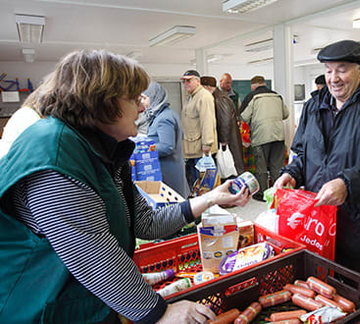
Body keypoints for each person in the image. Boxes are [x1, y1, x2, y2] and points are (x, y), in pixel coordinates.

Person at [0, 50, 250, 324]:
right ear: (103, 101)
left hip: (84, 301)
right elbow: (90, 253)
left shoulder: (100, 149)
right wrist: (159, 312)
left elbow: (144, 221)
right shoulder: (55, 153)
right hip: (41, 308)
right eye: (133, 98)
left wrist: (211, 198)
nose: (142, 107)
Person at [275, 40, 360, 278]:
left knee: (352, 296)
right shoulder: (314, 106)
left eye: (342, 69)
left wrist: (347, 183)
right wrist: (292, 172)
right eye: (328, 70)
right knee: (316, 289)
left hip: (358, 226)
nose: (334, 78)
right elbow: (303, 153)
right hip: (316, 222)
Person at [240, 76, 289, 201]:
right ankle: (279, 193)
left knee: (261, 167)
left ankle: (262, 193)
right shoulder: (277, 96)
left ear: (253, 86)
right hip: (278, 135)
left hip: (261, 136)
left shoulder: (252, 97)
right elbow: (285, 114)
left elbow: (244, 116)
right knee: (277, 166)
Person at [142, 81, 190, 198]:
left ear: (154, 97)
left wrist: (144, 147)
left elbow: (167, 146)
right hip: (169, 169)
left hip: (169, 172)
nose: (142, 102)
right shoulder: (161, 115)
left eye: (144, 98)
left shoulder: (164, 118)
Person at [180, 70, 218, 190]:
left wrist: (207, 144)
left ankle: (207, 207)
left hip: (201, 149)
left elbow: (207, 121)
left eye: (189, 81)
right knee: (196, 183)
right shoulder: (191, 97)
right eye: (184, 81)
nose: (186, 84)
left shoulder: (204, 96)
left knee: (204, 184)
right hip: (192, 147)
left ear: (197, 81)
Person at [201, 76, 245, 176]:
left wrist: (223, 142)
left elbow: (224, 120)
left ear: (207, 87)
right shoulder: (218, 97)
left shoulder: (220, 98)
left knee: (231, 172)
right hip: (229, 140)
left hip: (229, 142)